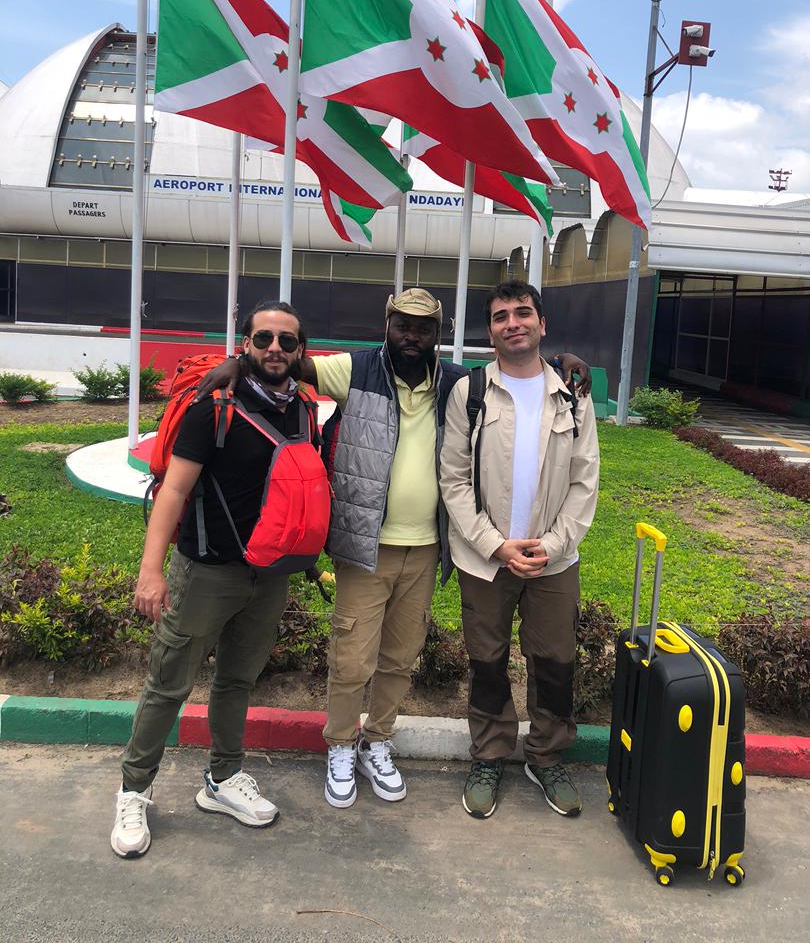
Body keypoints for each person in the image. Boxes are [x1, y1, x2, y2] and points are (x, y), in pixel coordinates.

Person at [197, 288, 591, 811]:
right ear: (387, 325)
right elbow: (283, 357)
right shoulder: (355, 370)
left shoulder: (456, 382)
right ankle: (341, 745)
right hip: (366, 546)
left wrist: (563, 360)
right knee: (353, 656)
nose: (412, 336)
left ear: (438, 334)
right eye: (403, 325)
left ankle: (377, 742)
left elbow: (526, 381)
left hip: (428, 548)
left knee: (402, 659)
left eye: (423, 328)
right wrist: (234, 363)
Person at [111, 300, 316, 858]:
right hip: (205, 571)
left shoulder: (301, 407)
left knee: (236, 682)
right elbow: (174, 491)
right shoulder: (214, 407)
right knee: (168, 684)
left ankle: (223, 781)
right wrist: (150, 571)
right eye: (264, 338)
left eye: (287, 342)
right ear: (244, 343)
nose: (275, 349)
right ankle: (134, 791)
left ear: (300, 350)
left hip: (268, 575)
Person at [439, 281, 599, 821]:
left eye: (523, 313)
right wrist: (496, 545)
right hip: (485, 559)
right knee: (486, 662)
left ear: (542, 324)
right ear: (491, 331)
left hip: (554, 562)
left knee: (555, 663)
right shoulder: (471, 393)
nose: (514, 322)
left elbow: (584, 482)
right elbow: (454, 481)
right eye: (502, 316)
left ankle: (546, 756)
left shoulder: (573, 394)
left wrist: (550, 547)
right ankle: (489, 755)